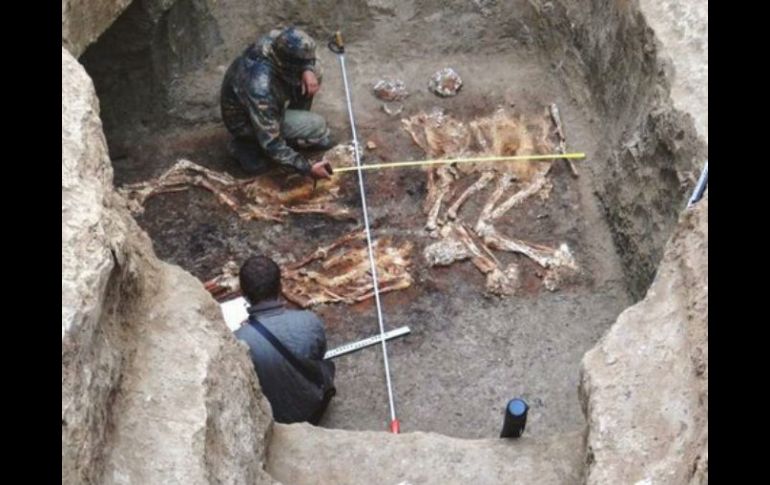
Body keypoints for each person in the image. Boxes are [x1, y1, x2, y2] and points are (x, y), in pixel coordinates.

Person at [220, 26, 334, 179]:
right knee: (317, 125)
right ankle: (244, 145)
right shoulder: (260, 88)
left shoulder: (275, 41)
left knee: (315, 73)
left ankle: (292, 132)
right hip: (244, 122)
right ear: (289, 64)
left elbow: (307, 57)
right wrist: (307, 168)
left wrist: (308, 69)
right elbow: (272, 143)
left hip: (254, 101)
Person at [233, 255, 335, 424]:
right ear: (280, 287)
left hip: (274, 418)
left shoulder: (238, 341)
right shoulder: (308, 321)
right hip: (314, 406)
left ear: (244, 294)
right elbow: (319, 353)